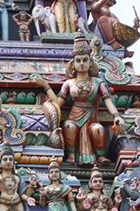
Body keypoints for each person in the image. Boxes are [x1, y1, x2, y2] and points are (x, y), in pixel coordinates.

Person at [34, 35, 125, 166]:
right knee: (68, 126)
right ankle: (71, 155)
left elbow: (108, 100)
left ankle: (100, 156)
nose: (81, 63)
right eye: (78, 61)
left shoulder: (98, 82)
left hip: (92, 117)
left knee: (98, 129)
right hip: (74, 116)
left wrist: (116, 116)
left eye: (84, 60)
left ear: (90, 63)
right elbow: (58, 103)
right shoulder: (69, 83)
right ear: (73, 64)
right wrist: (45, 85)